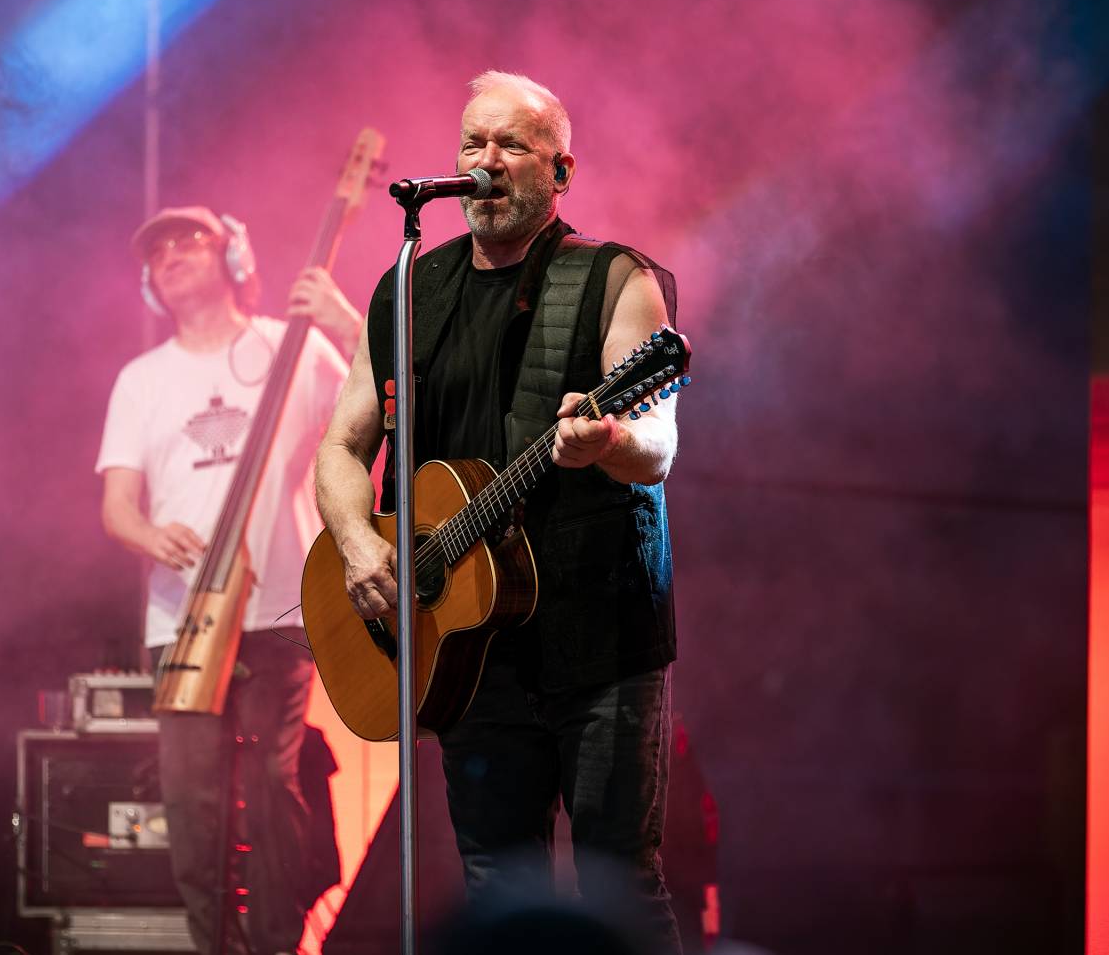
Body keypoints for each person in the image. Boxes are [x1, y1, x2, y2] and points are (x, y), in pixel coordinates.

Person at [314, 72, 684, 951]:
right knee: (495, 886)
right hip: (469, 652)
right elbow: (338, 449)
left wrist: (607, 445)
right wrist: (359, 545)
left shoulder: (613, 279)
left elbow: (659, 443)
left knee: (618, 883)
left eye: (511, 145)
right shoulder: (410, 288)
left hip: (599, 637)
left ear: (560, 171)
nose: (487, 161)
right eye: (473, 145)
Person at [97, 205, 357, 954]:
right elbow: (117, 507)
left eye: (190, 240)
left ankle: (276, 946)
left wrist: (341, 322)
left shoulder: (292, 345)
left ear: (235, 256)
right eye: (157, 251)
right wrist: (151, 534)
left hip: (277, 608)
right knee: (191, 799)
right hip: (179, 620)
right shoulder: (141, 380)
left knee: (274, 787)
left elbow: (381, 406)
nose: (170, 255)